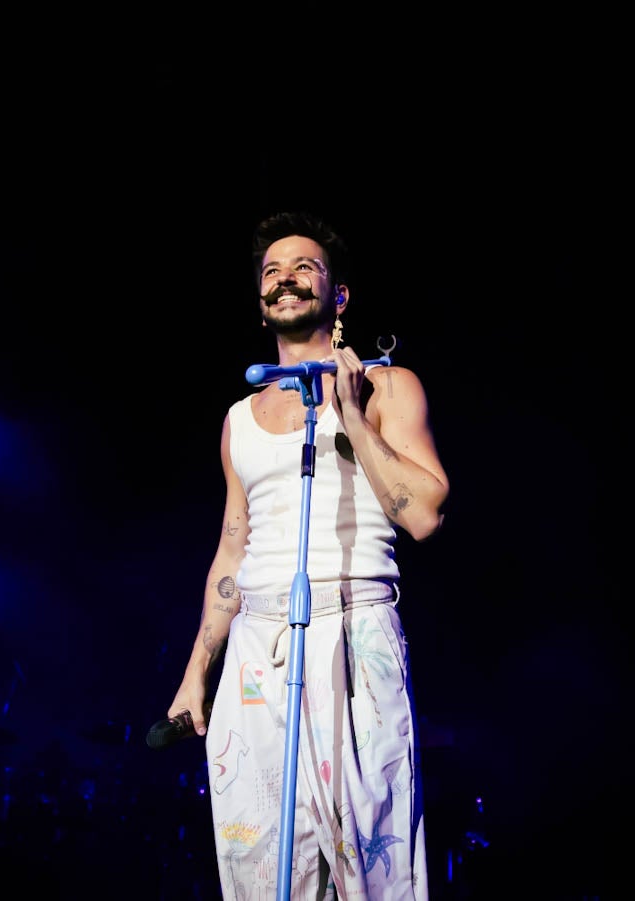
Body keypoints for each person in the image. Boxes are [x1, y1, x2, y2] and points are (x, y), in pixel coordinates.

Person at [165, 210, 449, 899]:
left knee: (371, 860)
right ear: (261, 303)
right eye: (270, 271)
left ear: (339, 296)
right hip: (257, 647)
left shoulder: (389, 386)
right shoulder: (238, 419)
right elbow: (234, 546)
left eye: (304, 267)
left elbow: (424, 514)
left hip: (353, 627)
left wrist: (352, 414)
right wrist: (196, 669)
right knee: (262, 863)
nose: (284, 279)